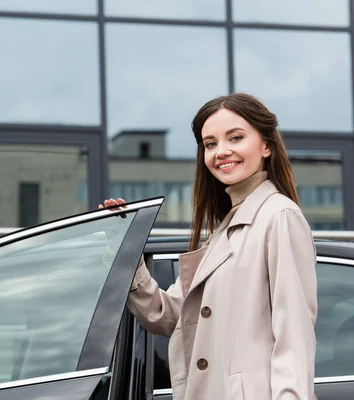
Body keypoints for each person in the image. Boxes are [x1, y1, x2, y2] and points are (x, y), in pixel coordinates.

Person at [100, 93, 317, 400]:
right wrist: (124, 250)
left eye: (236, 137)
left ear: (266, 145)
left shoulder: (278, 216)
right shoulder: (225, 229)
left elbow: (294, 335)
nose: (222, 151)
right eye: (211, 143)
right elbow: (166, 314)